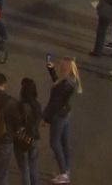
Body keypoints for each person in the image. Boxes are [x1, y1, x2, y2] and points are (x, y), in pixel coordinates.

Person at [43, 56, 80, 185]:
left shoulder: (64, 84)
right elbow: (57, 83)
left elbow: (54, 103)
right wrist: (51, 70)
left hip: (58, 115)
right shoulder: (70, 80)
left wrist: (45, 118)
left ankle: (64, 173)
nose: (59, 67)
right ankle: (66, 169)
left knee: (54, 143)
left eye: (61, 66)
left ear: (65, 68)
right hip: (66, 113)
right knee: (65, 142)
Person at [11, 76, 43, 185]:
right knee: (33, 166)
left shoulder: (19, 105)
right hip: (34, 139)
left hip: (21, 140)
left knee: (24, 169)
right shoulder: (37, 105)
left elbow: (16, 123)